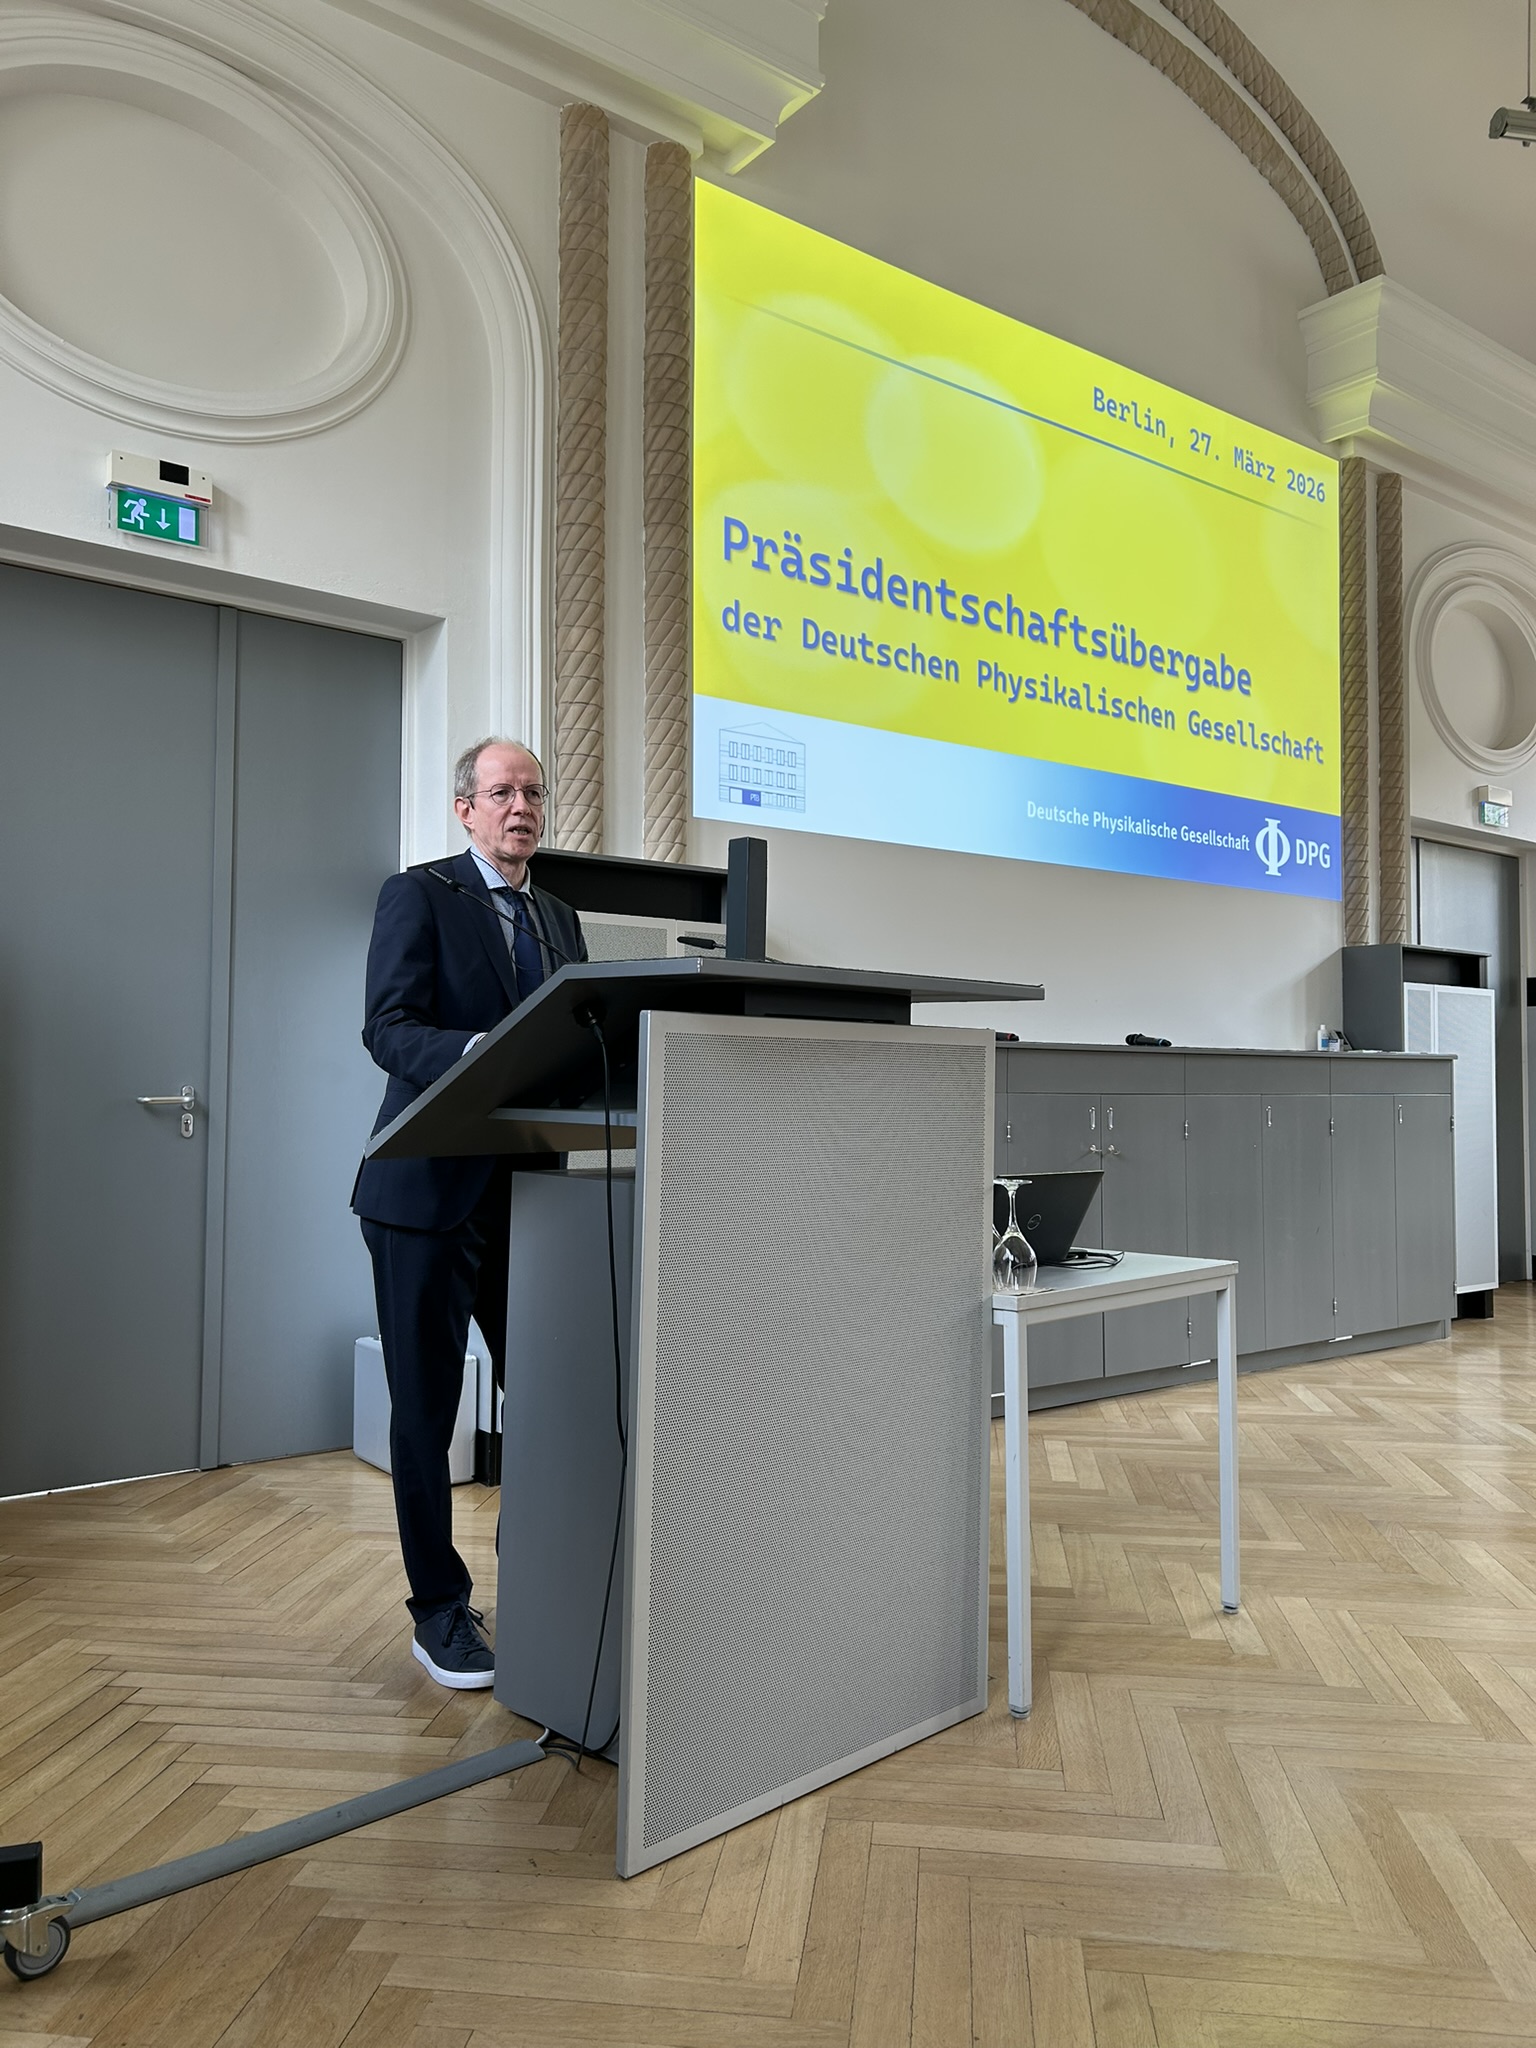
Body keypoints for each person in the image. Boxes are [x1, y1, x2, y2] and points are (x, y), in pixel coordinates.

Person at [353, 738, 587, 1688]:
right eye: (501, 793)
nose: (520, 807)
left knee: (550, 1396)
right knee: (426, 1413)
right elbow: (388, 1029)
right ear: (466, 809)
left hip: (530, 1194)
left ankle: (540, 1580)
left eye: (533, 792)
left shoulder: (560, 917)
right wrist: (478, 1051)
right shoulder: (420, 894)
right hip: (426, 1192)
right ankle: (439, 1611)